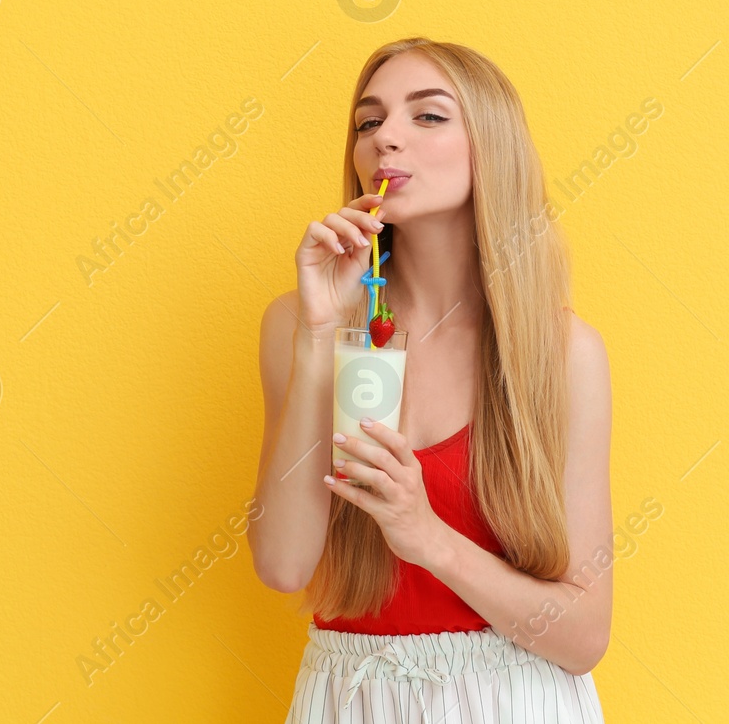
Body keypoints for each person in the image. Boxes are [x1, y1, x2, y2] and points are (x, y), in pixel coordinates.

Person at [250, 38, 612, 722]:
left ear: (492, 146)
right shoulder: (298, 322)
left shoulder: (563, 354)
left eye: (428, 116)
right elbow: (283, 564)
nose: (386, 138)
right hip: (350, 699)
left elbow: (585, 634)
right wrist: (320, 334)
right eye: (369, 121)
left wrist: (429, 537)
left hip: (515, 701)